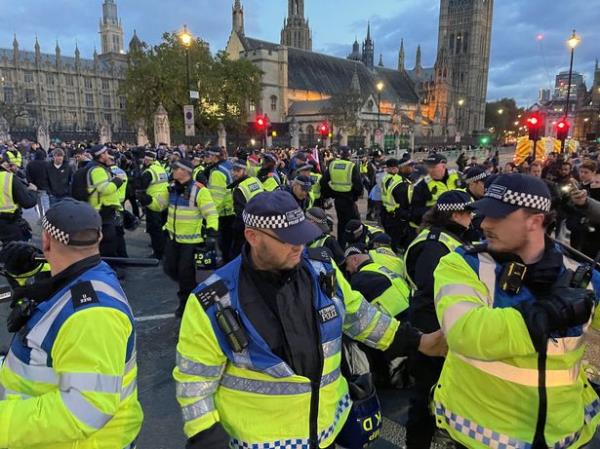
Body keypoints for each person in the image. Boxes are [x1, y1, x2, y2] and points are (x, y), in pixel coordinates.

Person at [173, 190, 446, 449]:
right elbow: (194, 379)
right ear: (253, 236)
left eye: (302, 236)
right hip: (256, 441)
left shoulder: (321, 272)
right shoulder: (213, 299)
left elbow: (360, 317)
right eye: (287, 239)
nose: (299, 247)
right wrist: (206, 436)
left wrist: (416, 340)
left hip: (324, 433)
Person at [433, 173, 600, 449]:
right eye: (484, 214)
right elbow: (466, 333)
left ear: (535, 220)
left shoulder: (579, 276)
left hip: (566, 434)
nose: (484, 223)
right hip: (483, 437)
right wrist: (548, 314)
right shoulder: (463, 265)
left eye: (497, 216)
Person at [0, 198, 142, 449]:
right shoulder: (93, 272)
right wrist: (24, 274)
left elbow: (85, 410)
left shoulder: (92, 316)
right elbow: (57, 288)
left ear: (45, 240)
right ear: (98, 239)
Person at [403, 190, 473, 449]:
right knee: (425, 397)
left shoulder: (447, 238)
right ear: (456, 214)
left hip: (440, 326)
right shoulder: (436, 244)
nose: (472, 218)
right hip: (433, 330)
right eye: (469, 213)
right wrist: (437, 337)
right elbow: (430, 294)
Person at [163, 159, 219, 317]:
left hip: (191, 242)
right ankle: (192, 290)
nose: (173, 170)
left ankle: (186, 305)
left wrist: (212, 234)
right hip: (173, 239)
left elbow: (211, 214)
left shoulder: (200, 190)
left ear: (185, 172)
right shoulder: (172, 188)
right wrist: (147, 200)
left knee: (184, 274)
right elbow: (159, 205)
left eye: (176, 168)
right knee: (169, 268)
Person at [86, 145, 125, 259]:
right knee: (107, 243)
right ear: (102, 155)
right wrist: (118, 180)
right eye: (107, 153)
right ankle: (109, 267)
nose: (108, 155)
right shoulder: (98, 169)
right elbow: (105, 189)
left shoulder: (97, 167)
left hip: (102, 209)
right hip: (102, 209)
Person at [321, 147, 363, 246]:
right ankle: (354, 245)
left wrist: (330, 194)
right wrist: (354, 196)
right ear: (349, 154)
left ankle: (341, 245)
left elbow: (323, 182)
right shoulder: (351, 166)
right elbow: (359, 186)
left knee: (341, 223)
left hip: (338, 200)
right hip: (349, 199)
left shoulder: (332, 165)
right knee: (355, 223)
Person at [410, 152, 460, 226]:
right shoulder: (422, 185)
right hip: (436, 224)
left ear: (443, 167)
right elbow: (415, 211)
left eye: (433, 167)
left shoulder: (457, 176)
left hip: (459, 221)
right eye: (428, 167)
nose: (429, 170)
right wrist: (437, 210)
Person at [137, 150, 169, 259]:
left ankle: (158, 253)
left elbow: (141, 188)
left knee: (154, 230)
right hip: (164, 201)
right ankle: (165, 249)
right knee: (163, 228)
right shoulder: (161, 169)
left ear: (147, 160)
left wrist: (142, 201)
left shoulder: (149, 172)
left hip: (153, 203)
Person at [229, 158, 264, 258]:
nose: (234, 173)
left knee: (238, 255)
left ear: (244, 171)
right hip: (260, 223)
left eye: (238, 171)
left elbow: (241, 214)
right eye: (234, 170)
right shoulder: (255, 180)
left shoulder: (239, 188)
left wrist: (236, 229)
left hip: (245, 228)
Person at [205, 148, 235, 262]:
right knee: (230, 242)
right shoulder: (228, 165)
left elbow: (217, 197)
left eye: (210, 155)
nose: (209, 158)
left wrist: (210, 214)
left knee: (224, 244)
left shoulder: (217, 172)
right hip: (231, 208)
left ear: (215, 157)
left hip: (223, 212)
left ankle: (225, 265)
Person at [0, 153, 37, 243]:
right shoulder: (9, 178)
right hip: (9, 224)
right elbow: (27, 202)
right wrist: (33, 191)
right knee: (15, 251)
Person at [381, 157, 415, 252]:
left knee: (391, 243)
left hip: (388, 213)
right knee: (397, 246)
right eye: (410, 166)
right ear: (402, 167)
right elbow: (405, 202)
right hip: (397, 217)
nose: (413, 168)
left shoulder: (389, 178)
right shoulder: (401, 183)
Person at [26, 147, 50, 220]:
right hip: (44, 188)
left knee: (38, 204)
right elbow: (50, 176)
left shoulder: (30, 164)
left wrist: (30, 183)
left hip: (34, 188)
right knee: (46, 204)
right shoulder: (47, 164)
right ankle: (48, 219)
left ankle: (41, 218)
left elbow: (27, 176)